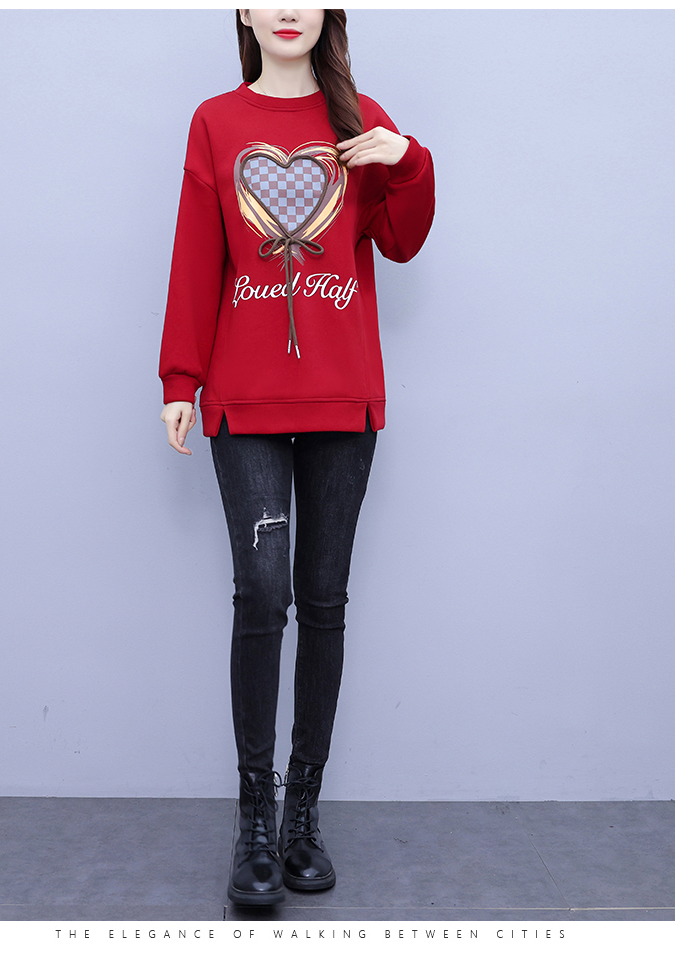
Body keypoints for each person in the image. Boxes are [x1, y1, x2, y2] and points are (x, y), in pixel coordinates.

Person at [159, 9, 435, 906]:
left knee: (322, 599)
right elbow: (197, 255)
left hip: (341, 401)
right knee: (262, 594)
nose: (287, 9)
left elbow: (401, 242)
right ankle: (254, 820)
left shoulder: (362, 119)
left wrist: (407, 160)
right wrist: (180, 377)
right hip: (243, 401)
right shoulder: (216, 122)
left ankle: (302, 816)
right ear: (242, 11)